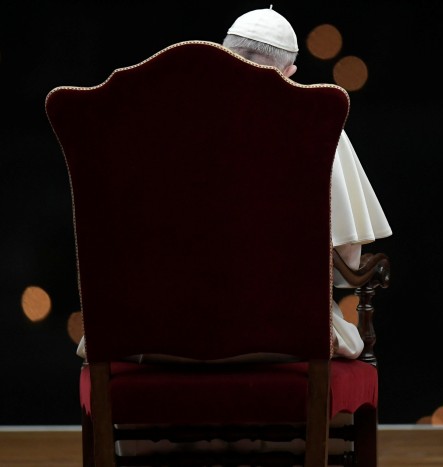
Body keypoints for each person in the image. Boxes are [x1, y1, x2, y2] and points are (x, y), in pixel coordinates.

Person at [75, 6, 392, 362]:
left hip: (150, 334)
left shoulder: (151, 123)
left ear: (221, 53)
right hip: (281, 336)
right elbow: (344, 269)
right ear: (290, 73)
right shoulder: (317, 125)